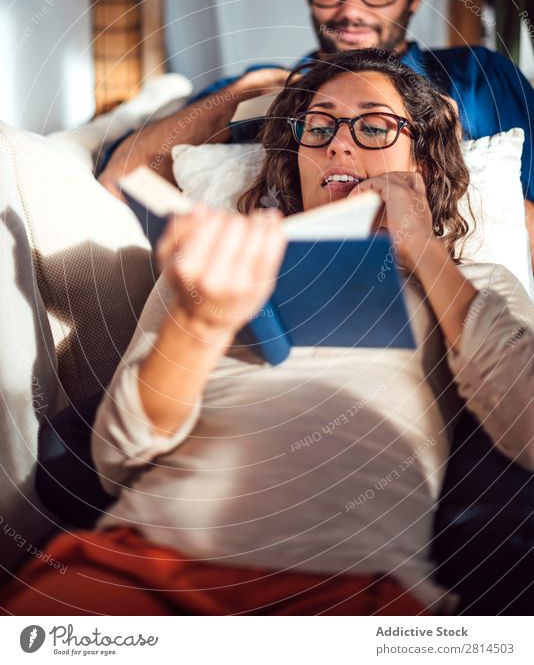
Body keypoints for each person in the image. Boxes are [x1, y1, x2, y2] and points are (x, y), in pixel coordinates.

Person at [9, 50, 534, 615]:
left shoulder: (472, 283)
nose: (338, 142)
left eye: (374, 126)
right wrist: (197, 323)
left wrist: (424, 251)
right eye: (320, 124)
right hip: (139, 563)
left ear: (422, 166)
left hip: (353, 591)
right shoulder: (214, 266)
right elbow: (115, 460)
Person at [96, 0, 534, 257]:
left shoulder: (481, 77)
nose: (350, 9)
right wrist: (245, 91)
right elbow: (119, 179)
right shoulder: (268, 92)